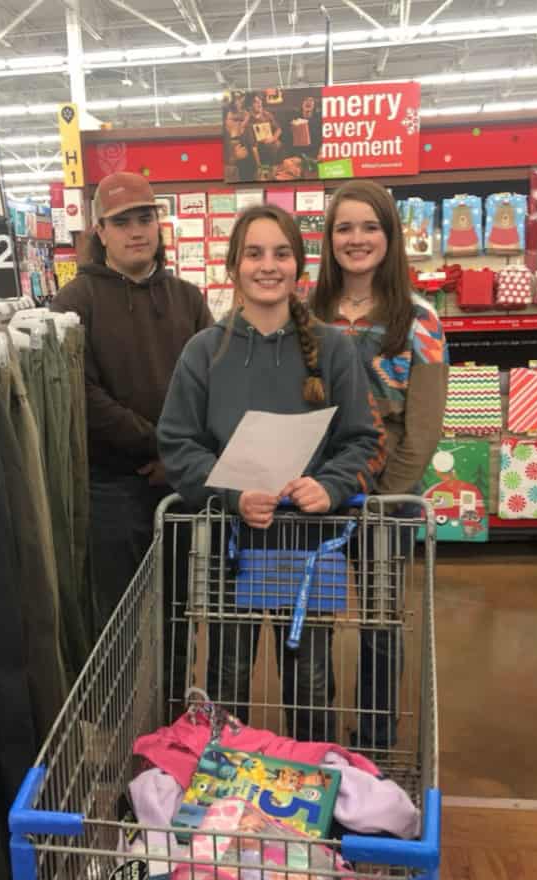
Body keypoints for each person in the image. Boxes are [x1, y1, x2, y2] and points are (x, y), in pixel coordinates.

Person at [158, 204, 386, 741]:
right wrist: (234, 494)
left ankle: (308, 787)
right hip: (228, 544)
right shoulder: (204, 352)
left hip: (308, 547)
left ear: (298, 265)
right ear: (233, 266)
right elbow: (177, 443)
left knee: (309, 680)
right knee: (227, 676)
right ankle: (224, 788)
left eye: (281, 253)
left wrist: (328, 486)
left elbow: (361, 440)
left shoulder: (334, 350)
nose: (268, 266)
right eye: (254, 254)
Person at [51, 172, 212, 693]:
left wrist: (181, 455)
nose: (136, 231)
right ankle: (120, 727)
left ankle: (172, 713)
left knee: (180, 608)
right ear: (100, 230)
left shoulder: (189, 299)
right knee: (116, 619)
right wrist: (160, 444)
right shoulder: (72, 303)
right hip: (112, 487)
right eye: (122, 222)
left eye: (145, 218)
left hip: (181, 485)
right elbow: (83, 394)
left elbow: (214, 383)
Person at [312, 179, 449, 749]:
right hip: (314, 489)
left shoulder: (420, 320)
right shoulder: (305, 310)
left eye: (370, 226)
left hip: (384, 498)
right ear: (329, 239)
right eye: (344, 227)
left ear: (391, 236)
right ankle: (312, 728)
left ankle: (373, 737)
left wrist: (386, 497)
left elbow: (422, 427)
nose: (357, 238)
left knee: (381, 623)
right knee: (311, 621)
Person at [246, 93, 283, 178]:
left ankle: (275, 171)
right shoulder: (249, 120)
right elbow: (253, 147)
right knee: (264, 175)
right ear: (251, 105)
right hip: (259, 151)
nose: (259, 103)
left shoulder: (267, 115)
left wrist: (273, 138)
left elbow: (279, 129)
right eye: (256, 102)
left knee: (277, 145)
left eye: (260, 101)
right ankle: (265, 171)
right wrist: (259, 166)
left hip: (273, 149)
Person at [223, 90, 255, 182]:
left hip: (244, 161)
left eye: (241, 99)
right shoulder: (224, 135)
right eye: (234, 119)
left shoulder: (245, 117)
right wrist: (234, 157)